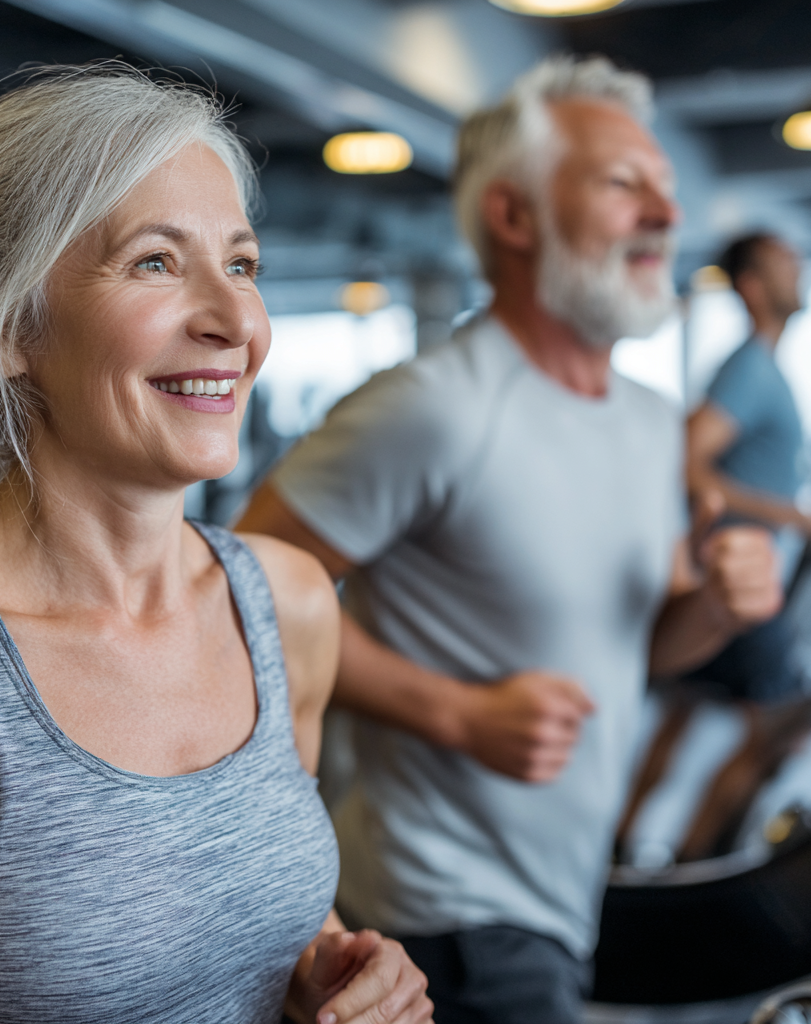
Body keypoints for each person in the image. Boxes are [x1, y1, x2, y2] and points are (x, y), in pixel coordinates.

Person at [0, 66, 432, 1024]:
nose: (236, 324)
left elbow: (237, 911)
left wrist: (326, 973)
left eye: (241, 264)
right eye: (154, 261)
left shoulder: (285, 603)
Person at [237, 56, 781, 1024]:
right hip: (442, 910)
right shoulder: (437, 407)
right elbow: (241, 593)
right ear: (514, 217)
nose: (665, 211)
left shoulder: (652, 421)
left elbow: (637, 651)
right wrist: (453, 712)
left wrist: (710, 606)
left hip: (562, 889)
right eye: (623, 184)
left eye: (664, 186)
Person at [685, 233, 811, 699]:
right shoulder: (750, 368)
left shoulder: (765, 365)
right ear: (752, 286)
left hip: (750, 569)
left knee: (685, 709)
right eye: (784, 261)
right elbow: (687, 465)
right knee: (770, 728)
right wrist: (789, 515)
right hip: (738, 568)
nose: (799, 266)